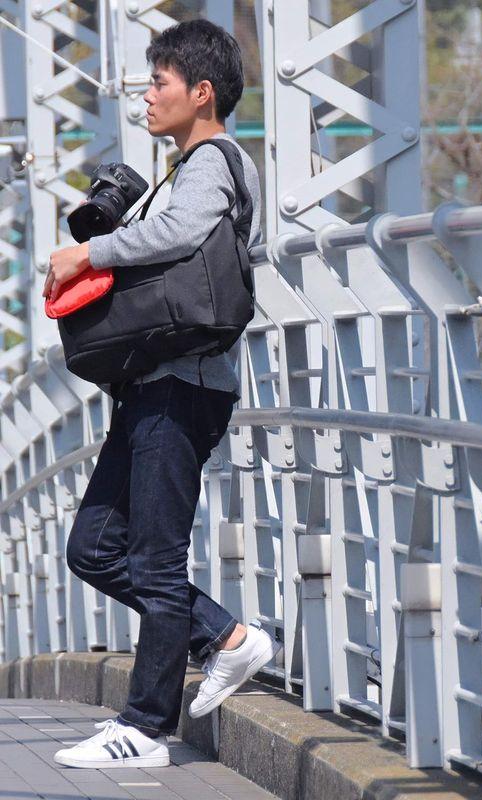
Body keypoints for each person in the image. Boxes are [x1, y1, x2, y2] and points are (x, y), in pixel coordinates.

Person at [44, 19, 279, 769]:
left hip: (185, 387)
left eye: (159, 83)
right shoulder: (190, 163)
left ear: (201, 93)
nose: (146, 97)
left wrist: (90, 250)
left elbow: (181, 235)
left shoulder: (213, 158)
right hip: (155, 387)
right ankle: (228, 639)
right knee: (93, 549)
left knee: (153, 559)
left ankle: (145, 728)